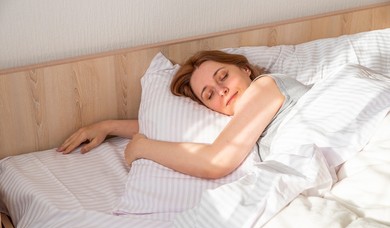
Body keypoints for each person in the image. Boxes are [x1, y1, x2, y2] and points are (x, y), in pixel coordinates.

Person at [57, 50, 311, 179]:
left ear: (245, 69)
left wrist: (142, 148)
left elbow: (216, 161)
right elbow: (170, 126)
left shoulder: (265, 86)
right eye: (209, 95)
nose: (221, 91)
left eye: (223, 76)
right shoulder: (245, 118)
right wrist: (109, 126)